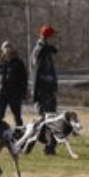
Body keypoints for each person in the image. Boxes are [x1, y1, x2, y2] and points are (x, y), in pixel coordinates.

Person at [30, 24, 61, 154]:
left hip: (49, 90)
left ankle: (47, 144)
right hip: (43, 90)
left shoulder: (47, 50)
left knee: (49, 118)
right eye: (53, 36)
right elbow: (36, 73)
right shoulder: (39, 51)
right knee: (46, 119)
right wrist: (35, 92)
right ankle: (46, 145)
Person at [0, 40, 28, 127]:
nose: (7, 49)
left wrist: (23, 93)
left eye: (9, 47)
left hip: (14, 94)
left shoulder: (18, 63)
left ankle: (20, 132)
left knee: (17, 117)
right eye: (5, 47)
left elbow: (23, 79)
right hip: (1, 93)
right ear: (2, 50)